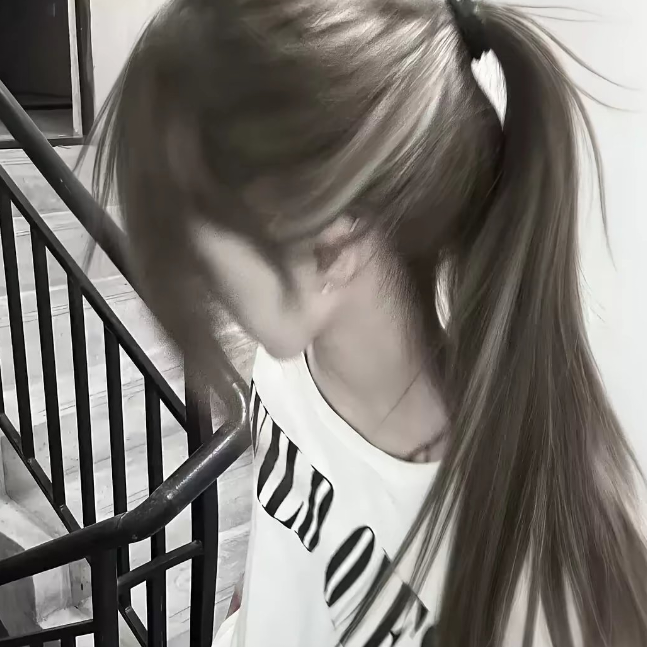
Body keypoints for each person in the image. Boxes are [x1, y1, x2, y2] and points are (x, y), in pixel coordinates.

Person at [88, 0, 647, 645]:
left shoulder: (541, 579)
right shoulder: (285, 368)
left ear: (328, 248)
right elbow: (288, 553)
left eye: (197, 220)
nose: (191, 264)